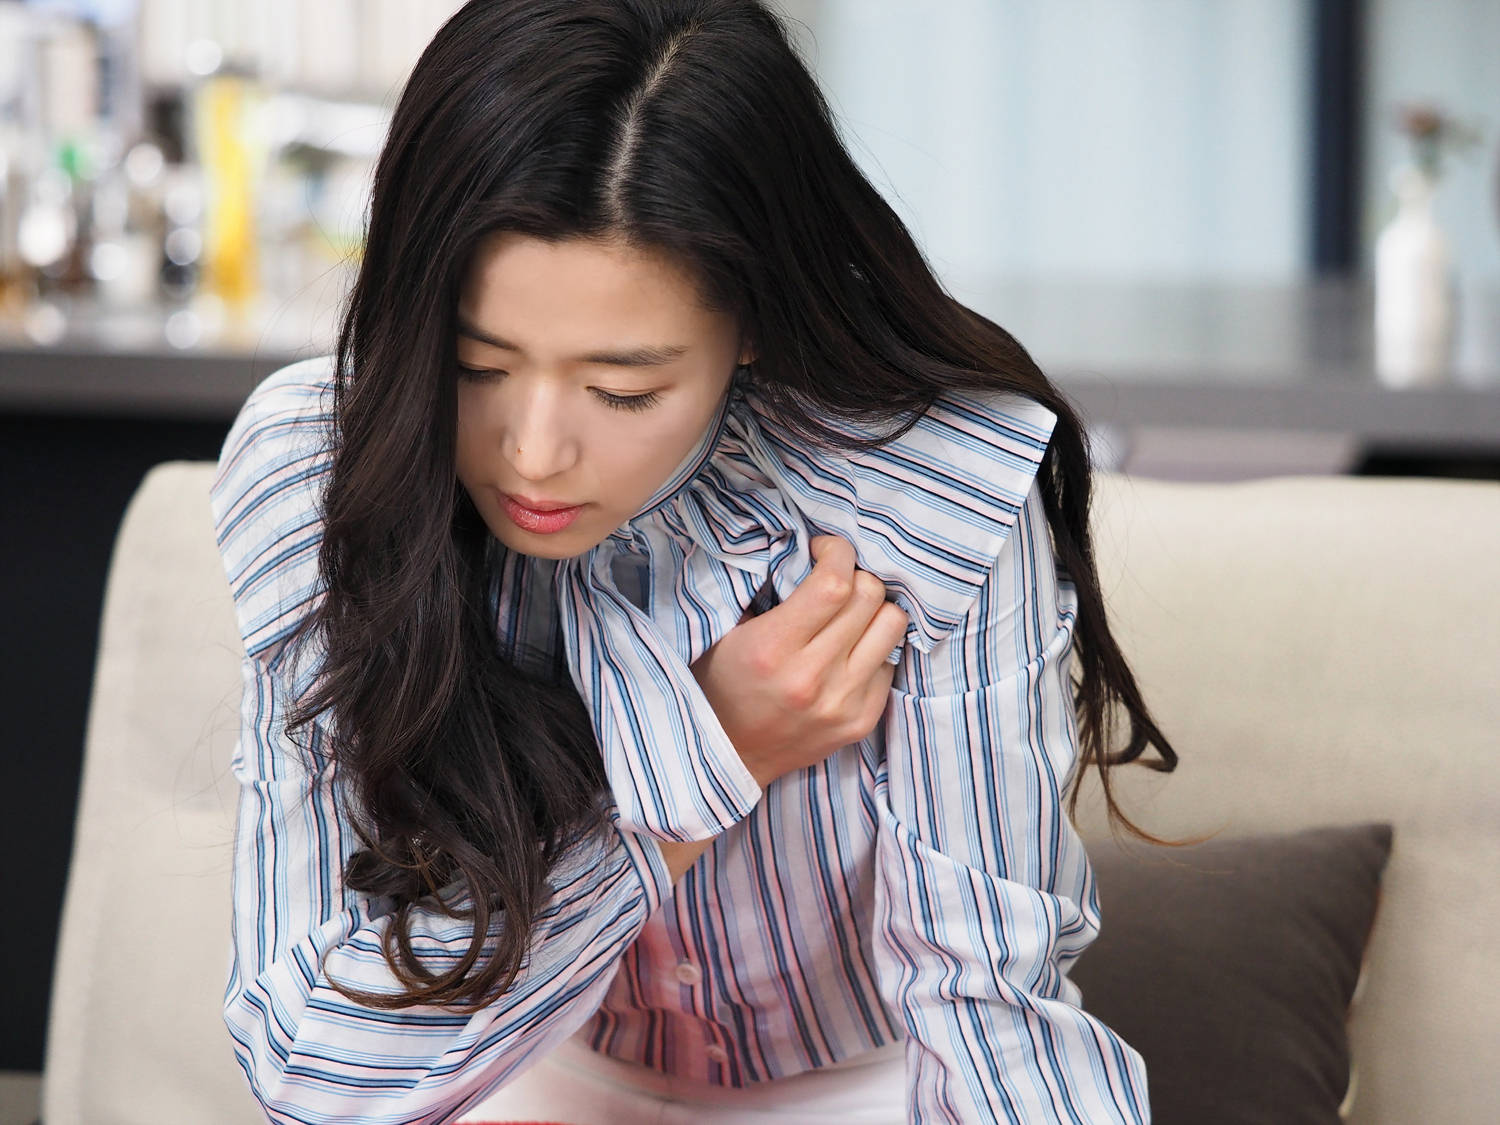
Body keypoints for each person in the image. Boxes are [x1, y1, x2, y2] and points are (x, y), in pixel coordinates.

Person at [210, 1, 1176, 1122]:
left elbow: (986, 1010)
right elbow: (313, 1068)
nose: (534, 453)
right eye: (475, 367)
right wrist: (705, 760)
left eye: (622, 390)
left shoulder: (928, 490)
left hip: (863, 1087)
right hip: (508, 1072)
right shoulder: (318, 469)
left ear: (755, 322)